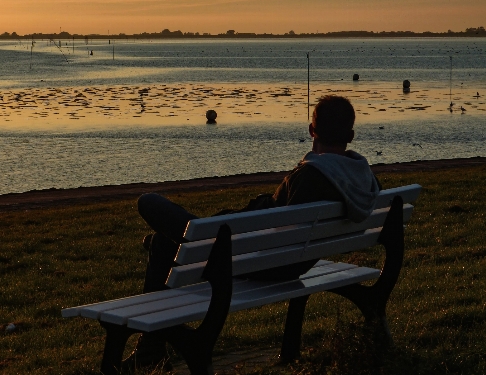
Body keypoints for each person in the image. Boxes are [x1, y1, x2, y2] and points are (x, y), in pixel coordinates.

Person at [123, 95, 381, 370]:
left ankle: (151, 348)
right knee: (166, 241)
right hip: (286, 258)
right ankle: (153, 340)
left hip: (256, 258)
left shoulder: (311, 175)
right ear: (351, 135)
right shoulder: (362, 177)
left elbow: (279, 235)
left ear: (311, 130)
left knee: (149, 203)